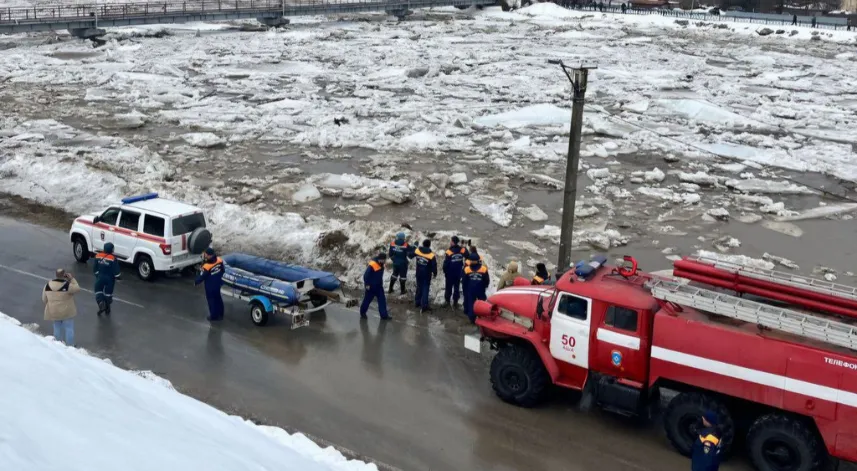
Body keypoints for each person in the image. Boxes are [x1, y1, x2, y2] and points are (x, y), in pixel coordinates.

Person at [43, 269, 80, 346]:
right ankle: (70, 346)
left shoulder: (48, 285)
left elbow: (44, 299)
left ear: (56, 275)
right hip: (66, 311)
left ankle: (57, 344)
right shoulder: (67, 285)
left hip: (54, 311)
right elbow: (77, 288)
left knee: (57, 327)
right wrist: (72, 279)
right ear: (64, 275)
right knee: (69, 328)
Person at [195, 248, 225, 321]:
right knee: (218, 298)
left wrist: (196, 282)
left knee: (211, 301)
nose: (204, 255)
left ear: (208, 255)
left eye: (205, 254)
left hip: (210, 286)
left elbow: (202, 276)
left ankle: (214, 316)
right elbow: (223, 270)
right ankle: (221, 312)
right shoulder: (219, 260)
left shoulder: (207, 266)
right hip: (218, 283)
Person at [360, 252, 391, 320]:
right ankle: (362, 312)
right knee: (367, 300)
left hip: (379, 286)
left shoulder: (381, 264)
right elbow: (366, 276)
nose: (385, 261)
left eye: (385, 260)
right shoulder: (372, 265)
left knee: (382, 300)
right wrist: (367, 285)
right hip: (371, 287)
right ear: (380, 259)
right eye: (384, 260)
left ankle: (384, 316)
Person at [93, 242, 120, 316]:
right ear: (111, 249)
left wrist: (97, 275)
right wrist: (118, 278)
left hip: (100, 277)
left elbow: (95, 268)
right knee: (108, 293)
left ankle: (101, 303)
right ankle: (107, 306)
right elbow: (116, 271)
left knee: (98, 290)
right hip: (109, 279)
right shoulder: (113, 258)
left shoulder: (97, 255)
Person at [462, 252, 490, 323]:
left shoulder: (467, 269)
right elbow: (486, 280)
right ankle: (482, 316)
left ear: (470, 261)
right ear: (478, 260)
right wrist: (485, 286)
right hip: (481, 289)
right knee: (482, 302)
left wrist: (465, 289)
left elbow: (464, 281)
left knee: (471, 303)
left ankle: (472, 318)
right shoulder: (483, 269)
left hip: (471, 290)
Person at [413, 239, 438, 313]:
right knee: (425, 289)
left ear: (423, 244)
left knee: (419, 287)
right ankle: (424, 305)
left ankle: (417, 302)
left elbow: (411, 254)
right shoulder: (431, 255)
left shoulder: (417, 251)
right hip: (426, 274)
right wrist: (435, 273)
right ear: (429, 245)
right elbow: (434, 265)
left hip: (418, 273)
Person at [443, 236, 467, 308]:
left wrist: (445, 271)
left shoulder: (449, 251)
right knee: (456, 287)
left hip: (450, 273)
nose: (450, 242)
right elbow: (468, 255)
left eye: (451, 241)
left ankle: (447, 301)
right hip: (458, 272)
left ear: (453, 242)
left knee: (448, 287)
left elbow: (446, 263)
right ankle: (455, 302)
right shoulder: (462, 250)